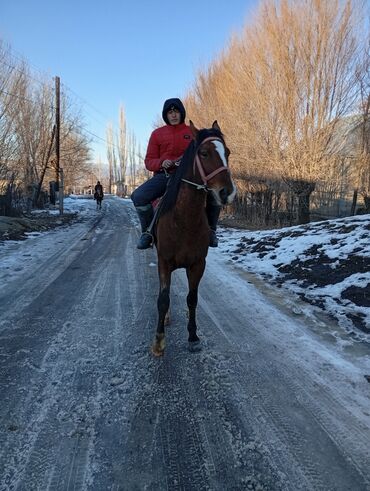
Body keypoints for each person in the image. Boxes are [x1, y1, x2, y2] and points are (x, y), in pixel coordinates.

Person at [131, 98, 221, 249]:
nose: (173, 115)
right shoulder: (157, 134)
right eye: (170, 112)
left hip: (189, 177)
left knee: (216, 193)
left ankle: (211, 231)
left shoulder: (192, 133)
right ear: (166, 115)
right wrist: (161, 163)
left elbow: (203, 154)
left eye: (176, 111)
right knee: (138, 196)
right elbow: (148, 161)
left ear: (181, 113)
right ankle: (147, 232)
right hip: (164, 176)